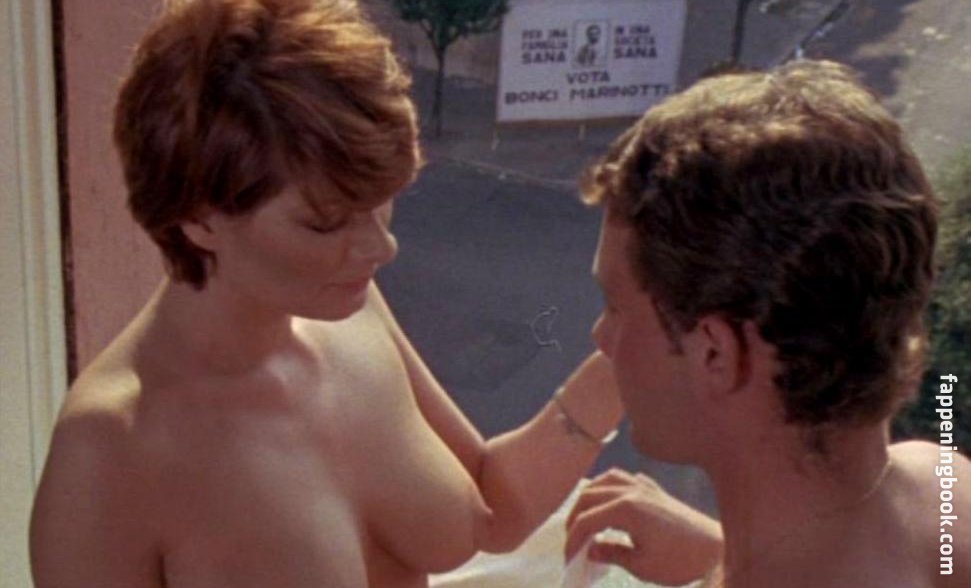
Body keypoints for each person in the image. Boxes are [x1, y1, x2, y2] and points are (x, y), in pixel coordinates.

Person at [29, 1, 634, 587]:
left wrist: (632, 352)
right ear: (199, 219)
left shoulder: (350, 310)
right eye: (326, 224)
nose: (382, 247)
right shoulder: (109, 451)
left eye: (380, 203)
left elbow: (490, 507)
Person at [564, 59, 971, 587]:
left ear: (717, 353)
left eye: (616, 306)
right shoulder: (944, 488)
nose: (601, 336)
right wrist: (716, 552)